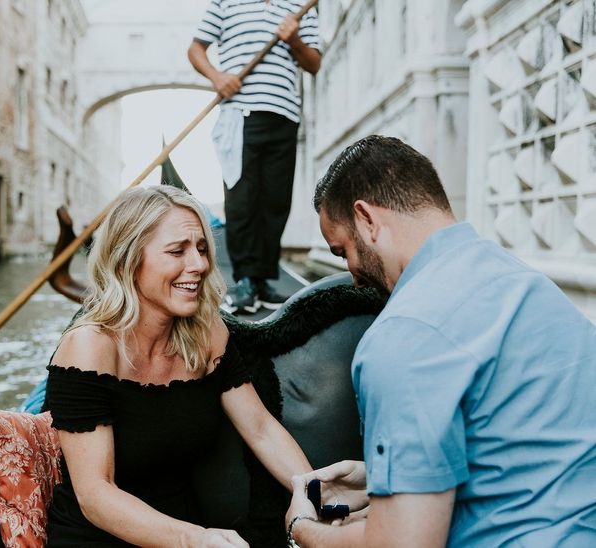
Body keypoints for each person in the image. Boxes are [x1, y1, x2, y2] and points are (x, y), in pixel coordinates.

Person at [283, 135, 596, 546]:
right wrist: (380, 478)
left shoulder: (401, 337)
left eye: (342, 251)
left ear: (367, 220)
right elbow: (518, 451)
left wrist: (301, 530)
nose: (353, 275)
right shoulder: (532, 287)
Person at [46, 185, 313, 547]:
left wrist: (317, 492)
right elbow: (96, 494)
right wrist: (194, 539)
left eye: (201, 249)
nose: (199, 265)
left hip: (192, 532)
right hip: (99, 538)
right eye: (178, 251)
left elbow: (261, 428)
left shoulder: (206, 333)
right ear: (128, 260)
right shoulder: (89, 347)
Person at [188, 0, 321, 314]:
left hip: (285, 114)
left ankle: (263, 278)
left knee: (275, 201)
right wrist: (218, 77)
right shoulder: (226, 2)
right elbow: (196, 49)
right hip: (240, 115)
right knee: (243, 199)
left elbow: (313, 63)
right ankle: (246, 278)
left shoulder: (303, 7)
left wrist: (294, 40)